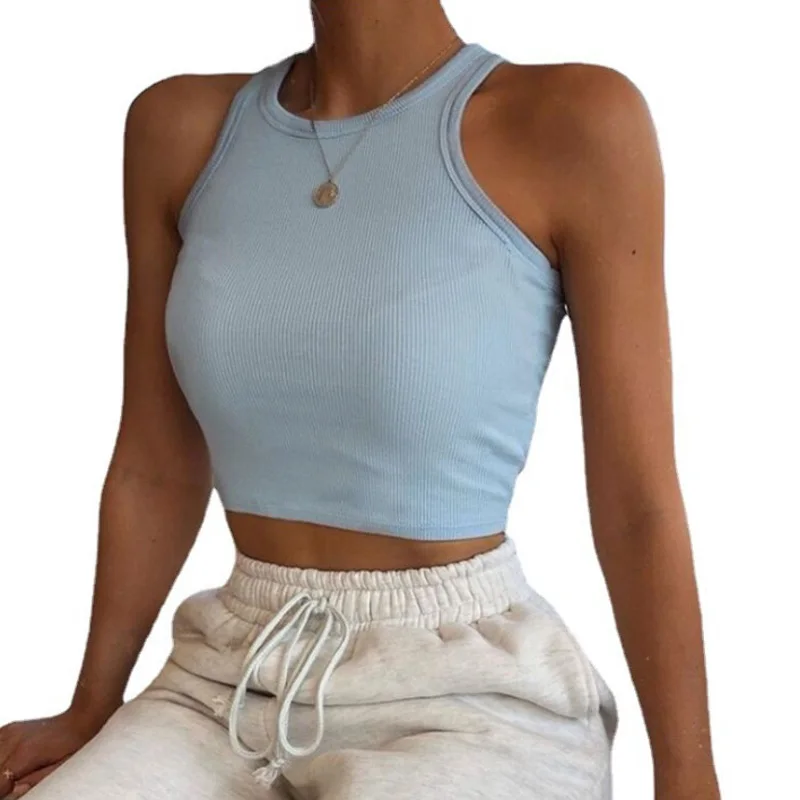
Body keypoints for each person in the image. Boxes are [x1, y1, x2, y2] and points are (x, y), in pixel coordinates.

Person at [0, 1, 721, 798]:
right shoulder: (178, 128)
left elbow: (636, 499)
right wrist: (91, 707)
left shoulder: (574, 121)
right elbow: (155, 462)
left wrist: (687, 773)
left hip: (469, 694)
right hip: (227, 675)